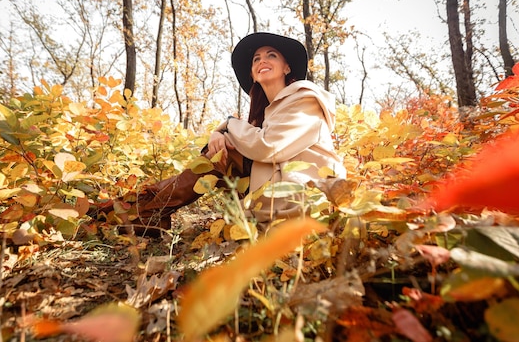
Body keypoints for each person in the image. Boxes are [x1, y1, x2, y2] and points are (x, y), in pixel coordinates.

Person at [114, 32, 346, 234]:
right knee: (217, 155)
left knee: (219, 155)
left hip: (305, 200)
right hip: (274, 194)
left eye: (271, 55)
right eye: (256, 59)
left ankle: (139, 211)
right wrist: (220, 134)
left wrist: (227, 125)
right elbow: (250, 141)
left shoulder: (306, 99)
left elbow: (268, 146)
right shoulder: (265, 115)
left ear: (287, 68)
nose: (262, 60)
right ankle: (140, 211)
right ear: (253, 74)